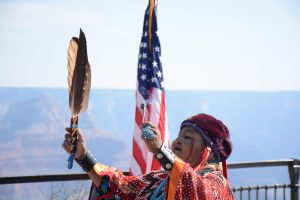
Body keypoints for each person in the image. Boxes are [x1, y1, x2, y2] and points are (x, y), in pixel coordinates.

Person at [62, 113, 234, 199]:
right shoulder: (161, 180)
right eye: (178, 136)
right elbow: (120, 188)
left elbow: (197, 189)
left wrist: (160, 150)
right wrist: (83, 157)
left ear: (207, 150)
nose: (178, 141)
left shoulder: (217, 184)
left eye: (187, 137)